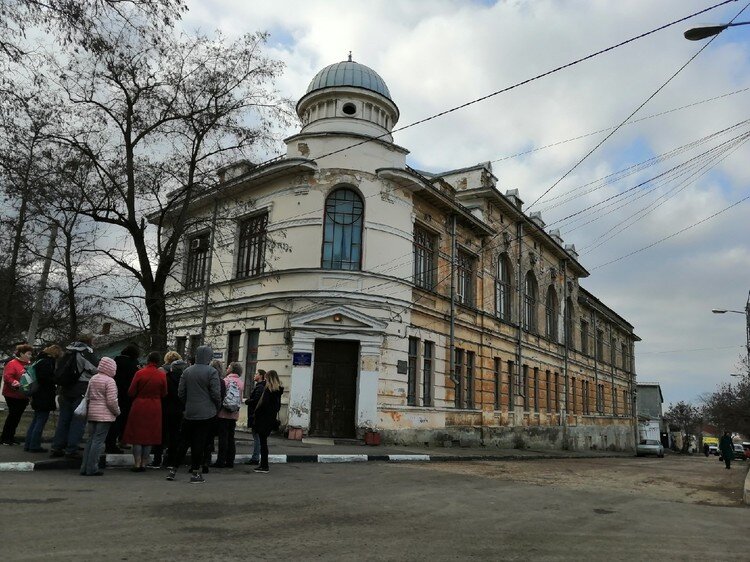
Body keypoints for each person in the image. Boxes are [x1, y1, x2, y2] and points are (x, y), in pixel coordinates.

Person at [166, 345, 221, 484]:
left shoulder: (187, 371)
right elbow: (216, 393)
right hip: (206, 413)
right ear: (209, 357)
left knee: (183, 442)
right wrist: (216, 406)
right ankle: (196, 473)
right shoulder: (212, 372)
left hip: (189, 412)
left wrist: (187, 404)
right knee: (199, 443)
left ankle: (173, 470)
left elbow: (181, 392)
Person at [50, 336, 97, 459]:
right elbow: (94, 369)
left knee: (64, 420)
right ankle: (71, 449)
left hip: (65, 389)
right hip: (80, 389)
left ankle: (57, 446)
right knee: (78, 420)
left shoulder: (68, 351)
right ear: (89, 341)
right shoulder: (86, 353)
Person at [122, 351, 167, 472]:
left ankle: (136, 463)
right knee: (149, 436)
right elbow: (164, 393)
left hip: (139, 405)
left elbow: (131, 391)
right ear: (158, 361)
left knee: (137, 436)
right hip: (155, 406)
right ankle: (144, 463)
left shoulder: (139, 373)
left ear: (147, 360)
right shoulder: (162, 375)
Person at [80, 357, 120, 476]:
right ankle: (92, 468)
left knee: (90, 440)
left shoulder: (93, 378)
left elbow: (87, 396)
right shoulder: (110, 381)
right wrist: (117, 412)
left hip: (92, 413)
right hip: (105, 415)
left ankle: (84, 467)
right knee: (98, 442)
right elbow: (111, 401)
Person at [148, 351, 187, 468]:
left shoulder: (165, 377)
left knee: (161, 434)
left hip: (164, 409)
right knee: (175, 435)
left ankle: (157, 459)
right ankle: (171, 460)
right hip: (179, 410)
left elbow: (162, 393)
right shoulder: (184, 380)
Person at [25, 344, 63, 452]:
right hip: (44, 395)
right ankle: (34, 445)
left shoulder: (39, 361)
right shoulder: (47, 363)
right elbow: (46, 379)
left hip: (37, 394)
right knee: (40, 421)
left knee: (35, 420)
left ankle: (28, 444)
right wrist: (55, 380)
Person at [106, 344, 140, 453]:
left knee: (114, 419)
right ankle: (120, 440)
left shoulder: (115, 362)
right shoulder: (133, 364)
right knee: (122, 419)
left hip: (114, 392)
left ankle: (110, 442)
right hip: (127, 395)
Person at [1, 343, 34, 445]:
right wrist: (16, 384)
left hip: (23, 395)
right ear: (21, 353)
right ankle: (5, 438)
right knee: (13, 415)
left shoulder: (28, 365)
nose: (30, 356)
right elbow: (8, 377)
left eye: (30, 354)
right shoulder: (12, 363)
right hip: (12, 394)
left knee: (17, 417)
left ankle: (11, 437)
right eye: (28, 354)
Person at [252, 369, 283, 474]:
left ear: (269, 378)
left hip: (263, 420)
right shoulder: (278, 391)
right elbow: (277, 407)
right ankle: (264, 465)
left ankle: (264, 465)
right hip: (270, 420)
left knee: (263, 443)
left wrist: (256, 413)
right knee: (263, 442)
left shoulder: (268, 390)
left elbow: (263, 405)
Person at [214, 362, 244, 468]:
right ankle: (230, 461)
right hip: (234, 413)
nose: (227, 368)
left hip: (223, 413)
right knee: (231, 437)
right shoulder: (240, 382)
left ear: (232, 369)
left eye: (229, 367)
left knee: (223, 438)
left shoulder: (225, 381)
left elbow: (220, 395)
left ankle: (220, 461)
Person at [244, 369, 266, 465]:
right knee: (257, 437)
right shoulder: (260, 386)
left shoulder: (260, 387)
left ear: (261, 376)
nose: (254, 375)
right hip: (257, 416)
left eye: (256, 373)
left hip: (256, 416)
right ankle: (256, 457)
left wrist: (248, 401)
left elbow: (256, 400)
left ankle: (255, 458)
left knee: (257, 438)